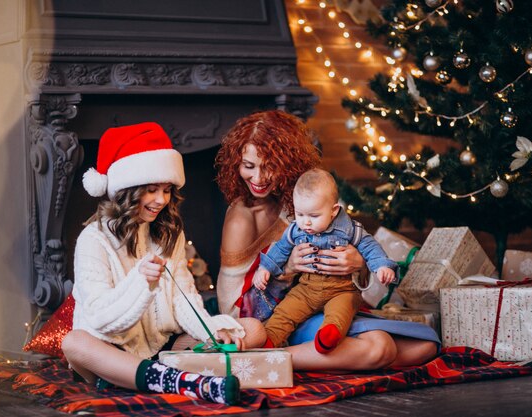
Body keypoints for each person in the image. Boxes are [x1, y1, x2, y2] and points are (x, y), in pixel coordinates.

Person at [215, 110, 439, 371]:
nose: (259, 178)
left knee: (426, 346)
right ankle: (271, 358)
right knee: (381, 347)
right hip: (281, 317)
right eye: (249, 166)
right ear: (236, 163)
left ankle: (318, 356)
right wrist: (288, 269)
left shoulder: (303, 200)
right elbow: (232, 311)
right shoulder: (241, 218)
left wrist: (357, 263)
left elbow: (357, 250)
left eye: (270, 166)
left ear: (288, 161)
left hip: (331, 303)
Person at [62, 122, 265, 405]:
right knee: (74, 343)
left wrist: (209, 329)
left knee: (253, 329)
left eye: (167, 190)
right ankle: (178, 380)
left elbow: (184, 299)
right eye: (152, 190)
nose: (161, 200)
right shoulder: (93, 239)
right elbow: (99, 319)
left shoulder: (168, 232)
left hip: (163, 346)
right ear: (127, 190)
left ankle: (162, 376)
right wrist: (141, 283)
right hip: (112, 348)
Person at [253, 168, 397, 354]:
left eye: (314, 216)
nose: (306, 223)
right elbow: (280, 249)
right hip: (306, 288)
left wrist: (382, 266)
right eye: (300, 214)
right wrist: (265, 268)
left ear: (333, 211)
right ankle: (269, 341)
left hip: (341, 290)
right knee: (285, 312)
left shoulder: (349, 229)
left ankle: (329, 335)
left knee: (340, 312)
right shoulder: (296, 230)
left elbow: (370, 247)